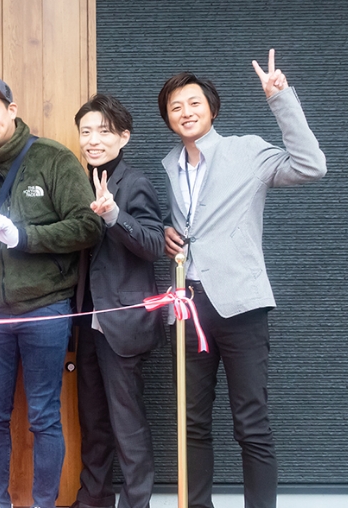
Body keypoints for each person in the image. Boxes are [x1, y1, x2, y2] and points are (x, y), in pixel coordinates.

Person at [159, 49, 327, 508]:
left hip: (241, 305)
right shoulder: (171, 164)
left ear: (212, 108)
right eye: (175, 107)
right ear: (168, 118)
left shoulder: (247, 150)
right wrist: (170, 233)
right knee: (191, 421)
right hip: (188, 306)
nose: (185, 112)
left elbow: (312, 166)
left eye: (194, 103)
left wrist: (280, 99)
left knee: (251, 421)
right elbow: (193, 224)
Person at [0, 76, 103, 508]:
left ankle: (43, 503)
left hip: (46, 307)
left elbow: (89, 225)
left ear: (12, 110)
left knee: (43, 415)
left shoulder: (52, 158)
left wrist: (25, 237)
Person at [70, 94, 165, 508]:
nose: (93, 140)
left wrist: (113, 215)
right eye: (86, 131)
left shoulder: (134, 182)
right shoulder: (78, 181)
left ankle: (136, 502)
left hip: (122, 322)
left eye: (104, 132)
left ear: (124, 137)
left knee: (127, 423)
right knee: (92, 421)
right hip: (87, 321)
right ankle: (93, 499)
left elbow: (154, 244)